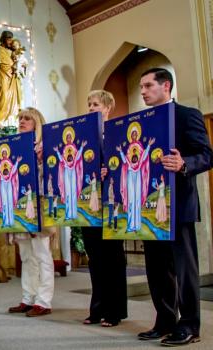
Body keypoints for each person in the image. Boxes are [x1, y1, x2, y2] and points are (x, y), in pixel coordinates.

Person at [137, 68, 212, 346]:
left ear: (165, 85)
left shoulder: (186, 115)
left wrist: (184, 164)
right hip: (148, 205)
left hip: (178, 203)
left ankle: (190, 325)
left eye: (147, 85)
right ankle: (165, 320)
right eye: (141, 87)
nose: (142, 91)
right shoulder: (141, 122)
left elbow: (206, 155)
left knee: (183, 268)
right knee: (156, 269)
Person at [81, 90, 127, 327]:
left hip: (111, 204)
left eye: (95, 104)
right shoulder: (85, 137)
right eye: (89, 104)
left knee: (113, 258)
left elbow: (128, 162)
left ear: (108, 107)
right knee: (95, 258)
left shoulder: (117, 132)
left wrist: (111, 170)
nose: (90, 108)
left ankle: (114, 311)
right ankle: (96, 309)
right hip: (90, 205)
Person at [8, 108, 55, 317]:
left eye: (27, 118)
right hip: (21, 206)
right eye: (20, 118)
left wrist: (41, 161)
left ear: (37, 123)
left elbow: (53, 174)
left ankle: (44, 301)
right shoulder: (15, 149)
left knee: (42, 253)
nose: (22, 121)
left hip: (40, 205)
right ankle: (28, 297)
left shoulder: (45, 147)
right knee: (26, 255)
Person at [117, 128, 155, 233]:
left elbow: (143, 157)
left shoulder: (139, 146)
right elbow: (125, 161)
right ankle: (130, 226)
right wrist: (120, 152)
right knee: (131, 199)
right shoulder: (129, 148)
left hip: (137, 174)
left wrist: (149, 145)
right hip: (130, 174)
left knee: (137, 198)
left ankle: (137, 225)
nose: (133, 135)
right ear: (131, 136)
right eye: (132, 134)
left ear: (137, 135)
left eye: (135, 134)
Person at [54, 129, 86, 220]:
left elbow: (78, 156)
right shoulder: (64, 149)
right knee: (68, 192)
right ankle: (68, 215)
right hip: (66, 171)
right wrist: (57, 151)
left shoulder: (74, 147)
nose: (68, 138)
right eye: (67, 137)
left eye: (69, 137)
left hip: (73, 171)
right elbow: (62, 160)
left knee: (73, 192)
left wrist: (82, 147)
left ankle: (74, 214)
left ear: (72, 138)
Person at [0, 148, 21, 228]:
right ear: (1, 154)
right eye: (2, 153)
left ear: (7, 154)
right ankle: (5, 222)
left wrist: (17, 161)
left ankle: (11, 222)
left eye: (5, 153)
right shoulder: (1, 164)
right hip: (3, 183)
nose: (4, 154)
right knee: (4, 202)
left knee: (9, 202)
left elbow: (13, 170)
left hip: (9, 183)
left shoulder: (9, 162)